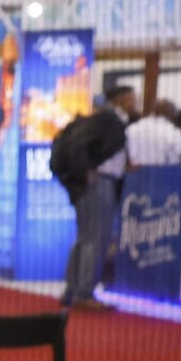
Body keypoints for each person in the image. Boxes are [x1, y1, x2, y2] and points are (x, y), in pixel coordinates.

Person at [54, 84, 136, 312]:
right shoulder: (108, 120)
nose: (134, 103)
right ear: (121, 98)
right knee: (95, 238)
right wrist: (85, 170)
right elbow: (81, 145)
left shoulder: (101, 119)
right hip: (98, 182)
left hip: (95, 181)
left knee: (85, 237)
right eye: (131, 98)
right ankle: (84, 292)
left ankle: (73, 290)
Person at [127, 96, 181, 168]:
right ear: (173, 113)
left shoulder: (132, 128)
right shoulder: (174, 133)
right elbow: (180, 158)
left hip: (134, 175)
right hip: (164, 175)